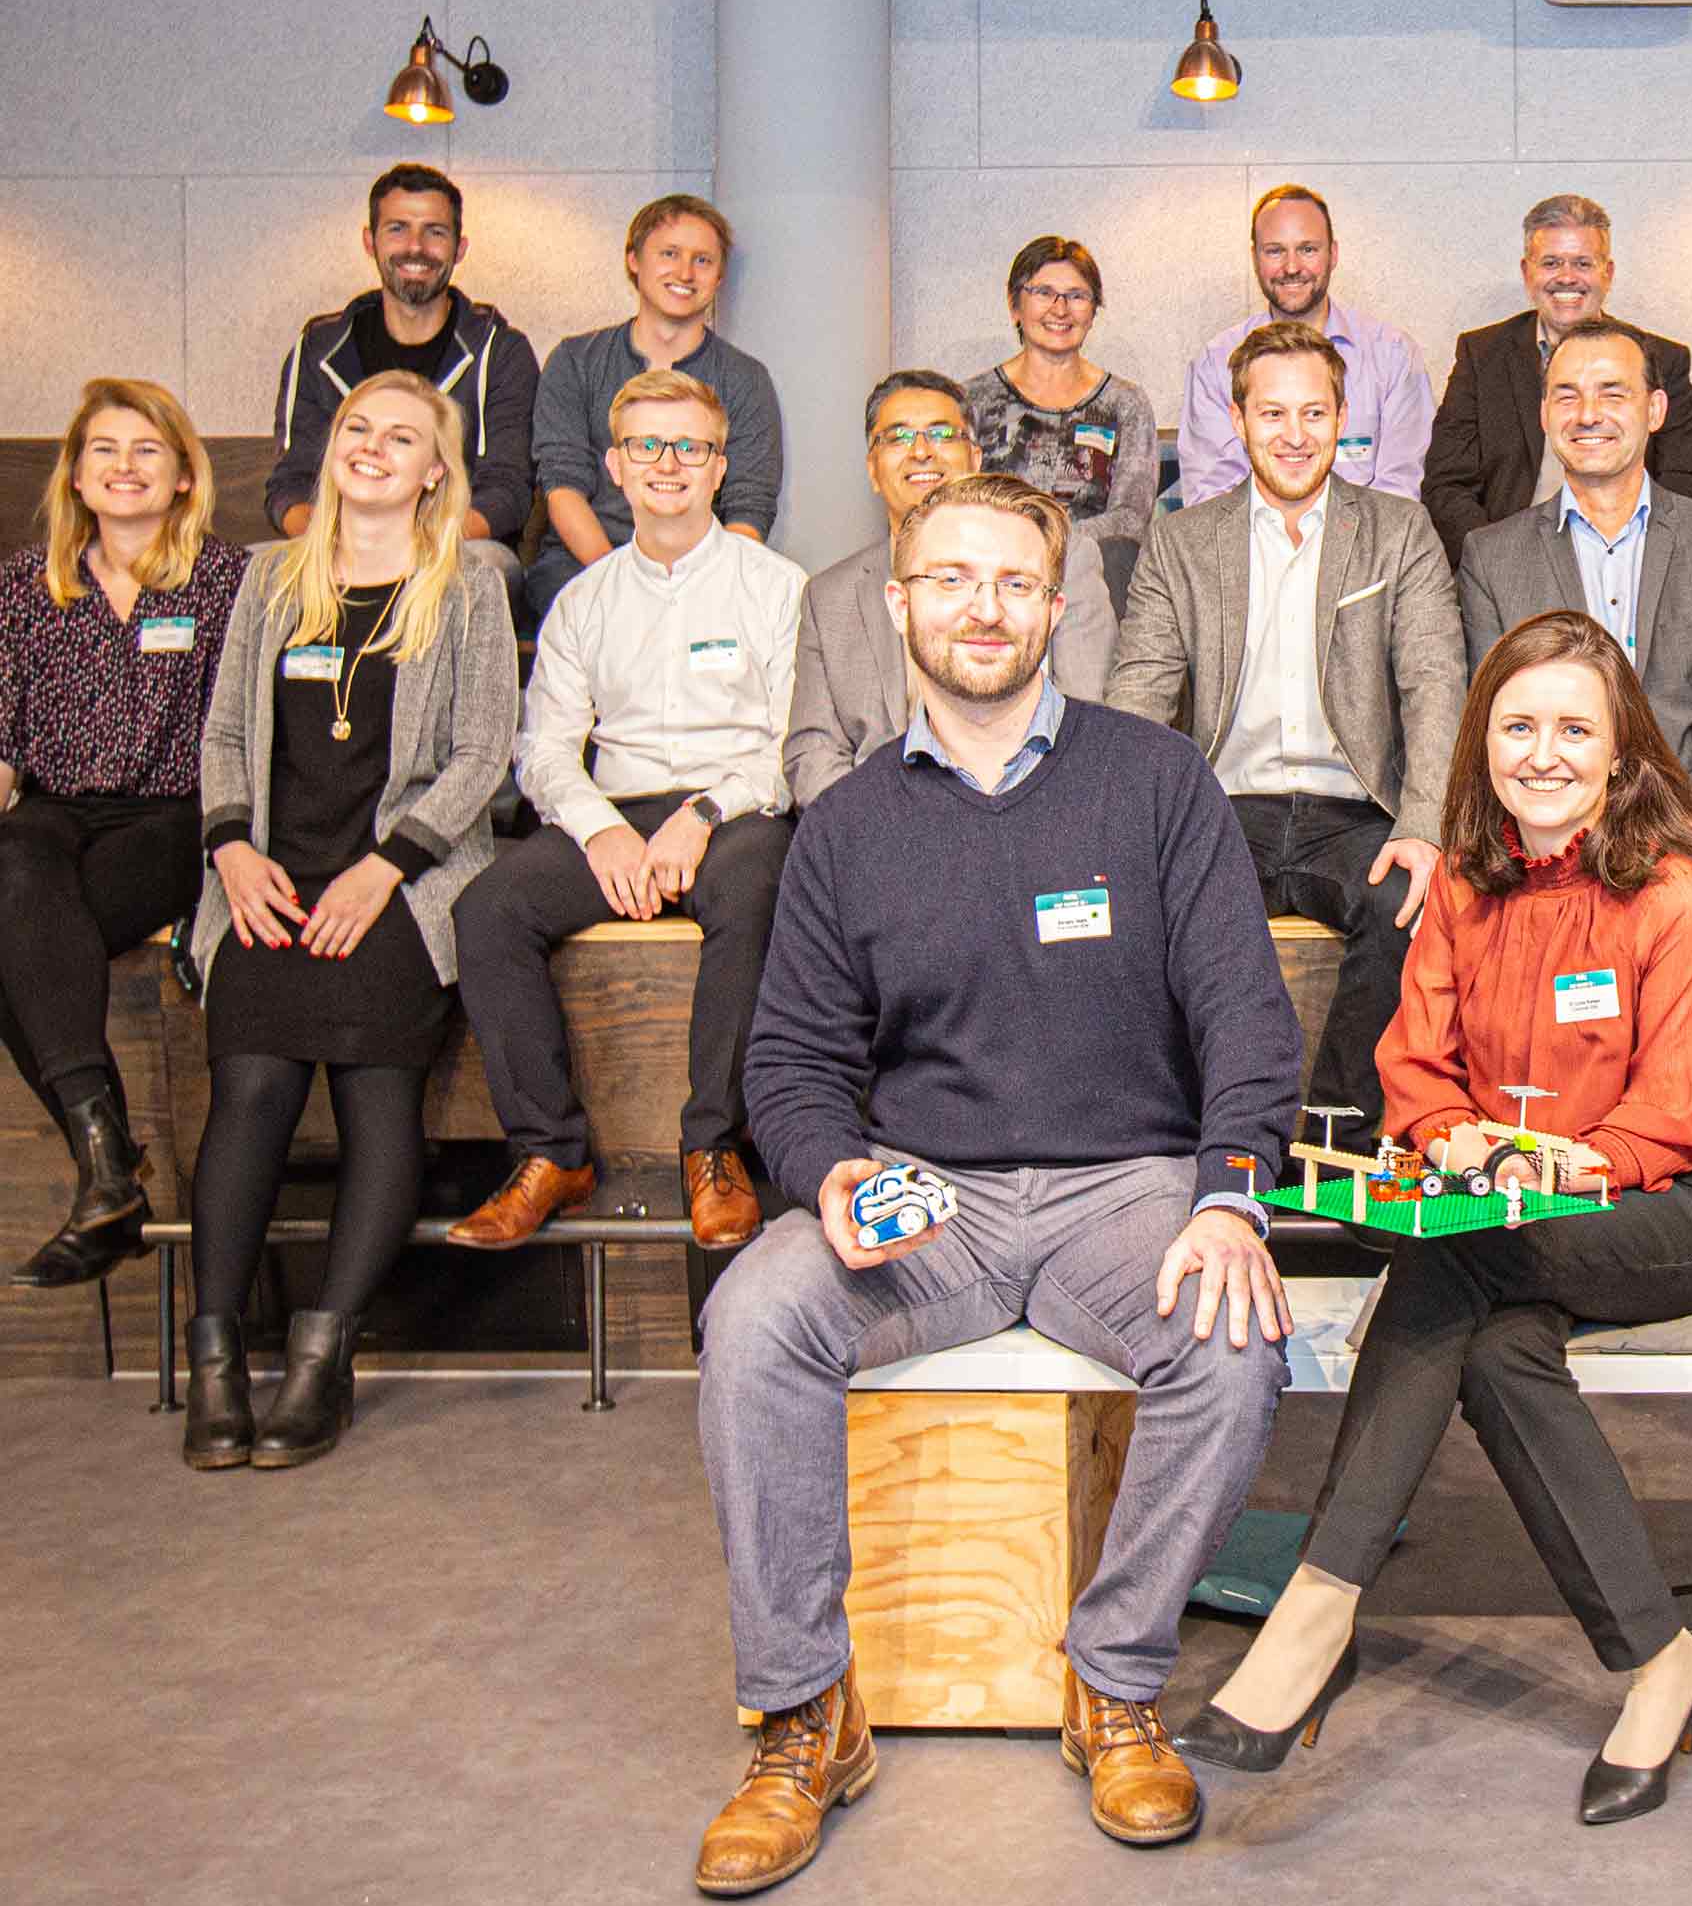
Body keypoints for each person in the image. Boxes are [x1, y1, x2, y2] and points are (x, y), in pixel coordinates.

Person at [691, 472, 1302, 1894]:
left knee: (1233, 1333)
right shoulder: (845, 824)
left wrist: (1229, 1190)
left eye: (1016, 583)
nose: (985, 607)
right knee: (757, 1314)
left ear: (1057, 604)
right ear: (899, 601)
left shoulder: (1155, 782)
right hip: (926, 1201)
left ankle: (1116, 1678)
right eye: (953, 579)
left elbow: (1243, 1013)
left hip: (1129, 1194)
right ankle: (802, 1715)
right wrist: (829, 1169)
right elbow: (788, 1057)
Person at [1188, 609, 1692, 1824]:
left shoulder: (1677, 898)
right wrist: (1460, 1143)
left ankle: (1319, 1603)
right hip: (1500, 1209)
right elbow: (1414, 1070)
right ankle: (1660, 1660)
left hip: (1674, 1205)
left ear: (1621, 754)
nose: (1541, 752)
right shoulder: (1455, 885)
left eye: (1572, 729)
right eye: (1516, 725)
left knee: (1458, 1255)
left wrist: (1525, 1168)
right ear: (1479, 742)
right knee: (1494, 1337)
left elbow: (1667, 1117)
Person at [181, 375, 515, 1470]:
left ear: (435, 470)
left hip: (398, 885)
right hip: (269, 880)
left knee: (378, 1107)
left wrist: (384, 871)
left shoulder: (466, 584)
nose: (373, 448)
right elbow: (225, 734)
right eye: (357, 430)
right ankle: (218, 1364)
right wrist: (232, 847)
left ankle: (322, 1361)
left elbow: (482, 753)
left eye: (402, 437)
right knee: (253, 1091)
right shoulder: (270, 579)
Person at [446, 369, 807, 1254]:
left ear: (720, 466)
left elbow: (795, 741)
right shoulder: (583, 601)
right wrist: (602, 826)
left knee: (759, 890)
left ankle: (712, 1147)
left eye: (690, 445)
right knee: (486, 908)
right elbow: (543, 750)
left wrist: (706, 811)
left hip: (735, 809)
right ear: (614, 464)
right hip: (614, 809)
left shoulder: (777, 586)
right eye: (648, 445)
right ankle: (550, 1153)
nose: (669, 463)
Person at [1111, 321, 1464, 1145]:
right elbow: (1139, 693)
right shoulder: (1182, 540)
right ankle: (1199, 1137)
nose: (1294, 435)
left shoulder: (1398, 529)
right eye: (1272, 414)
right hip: (1223, 805)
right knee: (1152, 911)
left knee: (1410, 905)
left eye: (1314, 412)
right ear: (1237, 421)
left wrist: (1422, 828)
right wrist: (1126, 826)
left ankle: (1336, 1143)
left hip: (1354, 810)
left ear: (1343, 418)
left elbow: (1437, 687)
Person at [0, 379, 247, 1288]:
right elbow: (1, 737)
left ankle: (109, 1175)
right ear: (74, 473)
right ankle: (105, 1167)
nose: (124, 468)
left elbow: (241, 733)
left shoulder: (228, 579)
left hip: (173, 816)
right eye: (103, 449)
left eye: (147, 450)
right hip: (54, 815)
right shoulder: (27, 585)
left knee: (16, 942)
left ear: (184, 474)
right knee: (13, 855)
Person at [1458, 316, 1692, 931]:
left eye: (1612, 393)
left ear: (1655, 409)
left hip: (1688, 819)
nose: (1588, 414)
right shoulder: (1491, 557)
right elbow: (1491, 732)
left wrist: (1663, 822)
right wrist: (1565, 822)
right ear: (1545, 414)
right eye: (1567, 395)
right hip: (1544, 821)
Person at [786, 371, 1114, 806]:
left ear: (975, 458)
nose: (922, 452)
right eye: (898, 438)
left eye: (942, 434)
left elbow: (1087, 717)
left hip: (1032, 810)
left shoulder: (1062, 563)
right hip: (882, 828)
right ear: (872, 468)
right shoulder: (830, 597)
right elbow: (812, 750)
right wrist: (875, 830)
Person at [525, 194, 785, 621]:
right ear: (633, 260)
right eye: (669, 254)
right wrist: (623, 582)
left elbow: (749, 506)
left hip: (703, 576)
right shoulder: (575, 361)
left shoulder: (745, 378)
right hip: (585, 565)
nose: (685, 272)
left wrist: (704, 587)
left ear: (719, 277)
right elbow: (562, 485)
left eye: (703, 260)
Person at [1421, 194, 1692, 565]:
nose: (1566, 277)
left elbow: (1686, 483)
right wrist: (1498, 559)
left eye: (1582, 263)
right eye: (1551, 263)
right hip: (1509, 556)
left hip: (1628, 555)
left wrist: (1633, 557)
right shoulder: (1481, 355)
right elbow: (1446, 485)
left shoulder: (1662, 359)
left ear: (1607, 273)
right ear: (1527, 273)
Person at [265, 163, 538, 554]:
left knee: (490, 562)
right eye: (397, 229)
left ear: (459, 249)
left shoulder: (500, 351)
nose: (415, 247)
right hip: (338, 551)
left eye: (435, 232)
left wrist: (409, 549)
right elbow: (290, 484)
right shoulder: (319, 348)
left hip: (455, 549)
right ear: (369, 241)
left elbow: (507, 491)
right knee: (259, 570)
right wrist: (344, 549)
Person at [1174, 186, 1432, 506]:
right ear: (1255, 258)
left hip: (1366, 550)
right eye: (1275, 251)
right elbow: (1211, 499)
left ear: (1333, 254)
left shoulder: (1394, 357)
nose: (1292, 267)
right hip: (1251, 551)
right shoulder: (1214, 365)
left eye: (1308, 249)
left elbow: (1398, 495)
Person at [957, 234, 1160, 590]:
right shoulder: (971, 399)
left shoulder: (1126, 403)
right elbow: (956, 507)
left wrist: (1046, 545)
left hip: (1094, 580)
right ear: (1014, 305)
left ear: (1093, 311)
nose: (1060, 308)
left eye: (1077, 296)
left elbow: (1129, 520)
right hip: (990, 580)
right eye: (1043, 292)